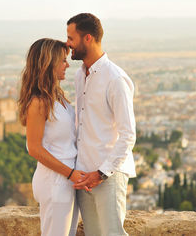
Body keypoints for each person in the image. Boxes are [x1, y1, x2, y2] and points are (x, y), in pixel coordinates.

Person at [66, 13, 136, 236]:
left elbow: (128, 134)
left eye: (71, 38)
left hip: (108, 173)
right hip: (83, 174)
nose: (67, 44)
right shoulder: (80, 76)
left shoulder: (115, 78)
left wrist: (102, 172)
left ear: (87, 38)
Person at [18, 38, 86, 236]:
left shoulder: (56, 96)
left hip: (65, 179)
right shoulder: (38, 102)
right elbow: (34, 148)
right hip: (55, 180)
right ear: (47, 63)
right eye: (62, 60)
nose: (67, 64)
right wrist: (70, 173)